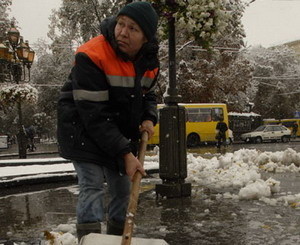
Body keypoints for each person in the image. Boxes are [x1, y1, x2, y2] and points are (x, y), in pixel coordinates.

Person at [56, 1, 159, 242]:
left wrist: (148, 117)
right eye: (120, 24)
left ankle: (116, 239)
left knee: (123, 189)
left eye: (132, 28)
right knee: (92, 186)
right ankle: (90, 240)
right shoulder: (91, 55)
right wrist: (125, 153)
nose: (122, 32)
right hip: (82, 128)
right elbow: (94, 114)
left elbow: (148, 94)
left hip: (118, 129)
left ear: (146, 37)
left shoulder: (149, 60)